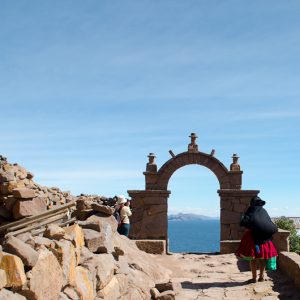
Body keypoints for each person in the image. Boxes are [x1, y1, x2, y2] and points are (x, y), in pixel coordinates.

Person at [236, 196, 278, 283]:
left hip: (252, 239)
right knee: (262, 258)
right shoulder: (263, 211)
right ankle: (261, 277)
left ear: (252, 203)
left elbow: (244, 223)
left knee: (253, 259)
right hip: (264, 239)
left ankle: (254, 278)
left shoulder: (251, 210)